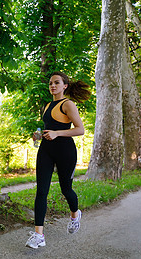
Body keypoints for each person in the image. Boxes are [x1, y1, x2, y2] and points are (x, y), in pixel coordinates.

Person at [26, 71, 91, 249]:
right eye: (50, 83)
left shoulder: (68, 104)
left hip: (65, 151)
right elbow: (49, 128)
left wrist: (57, 133)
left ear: (65, 86)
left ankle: (75, 214)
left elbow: (80, 130)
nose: (52, 86)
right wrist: (39, 136)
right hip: (46, 151)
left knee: (66, 189)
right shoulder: (47, 106)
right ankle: (39, 235)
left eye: (56, 83)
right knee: (41, 191)